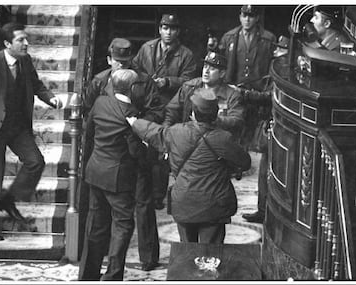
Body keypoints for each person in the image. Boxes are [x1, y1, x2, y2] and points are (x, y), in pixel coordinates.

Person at [0, 22, 62, 241]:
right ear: (7, 44)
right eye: (20, 40)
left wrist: (50, 98)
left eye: (26, 39)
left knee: (35, 161)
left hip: (16, 127)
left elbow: (36, 85)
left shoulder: (25, 61)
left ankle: (8, 199)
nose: (26, 43)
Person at [126, 88, 251, 243]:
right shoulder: (224, 138)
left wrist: (134, 122)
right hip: (214, 205)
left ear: (192, 113)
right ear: (216, 115)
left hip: (184, 203)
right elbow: (245, 162)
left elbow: (152, 131)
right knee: (210, 255)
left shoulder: (176, 132)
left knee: (186, 253)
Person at [82, 38, 161, 272]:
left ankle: (148, 257)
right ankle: (107, 272)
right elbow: (89, 119)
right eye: (118, 62)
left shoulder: (144, 81)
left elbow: (156, 111)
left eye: (127, 62)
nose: (123, 67)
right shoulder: (99, 81)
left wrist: (140, 126)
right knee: (115, 220)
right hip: (115, 158)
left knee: (144, 205)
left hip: (133, 156)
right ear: (109, 60)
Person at [78, 69, 145, 281]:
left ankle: (88, 275)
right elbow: (136, 153)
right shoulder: (130, 114)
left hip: (96, 172)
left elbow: (88, 134)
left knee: (96, 226)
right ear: (132, 88)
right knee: (123, 226)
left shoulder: (99, 103)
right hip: (118, 180)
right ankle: (112, 276)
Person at [132, 13, 197, 211]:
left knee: (163, 152)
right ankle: (142, 192)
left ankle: (158, 195)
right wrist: (147, 80)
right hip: (148, 104)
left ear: (178, 32)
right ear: (160, 29)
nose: (168, 32)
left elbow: (189, 80)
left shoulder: (186, 54)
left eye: (173, 29)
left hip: (170, 107)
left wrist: (168, 81)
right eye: (165, 28)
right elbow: (135, 69)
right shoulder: (147, 48)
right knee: (144, 149)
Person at [218, 5, 276, 224]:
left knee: (255, 136)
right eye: (244, 15)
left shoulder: (268, 39)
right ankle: (235, 167)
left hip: (258, 94)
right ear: (239, 16)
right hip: (235, 92)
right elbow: (222, 65)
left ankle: (245, 166)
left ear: (257, 18)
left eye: (251, 15)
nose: (247, 19)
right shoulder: (229, 37)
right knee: (233, 131)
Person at [164, 51, 244, 137]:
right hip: (190, 136)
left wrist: (213, 120)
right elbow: (171, 111)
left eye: (212, 69)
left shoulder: (232, 95)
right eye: (205, 67)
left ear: (222, 74)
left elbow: (236, 120)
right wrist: (166, 133)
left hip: (216, 139)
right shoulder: (189, 87)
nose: (206, 71)